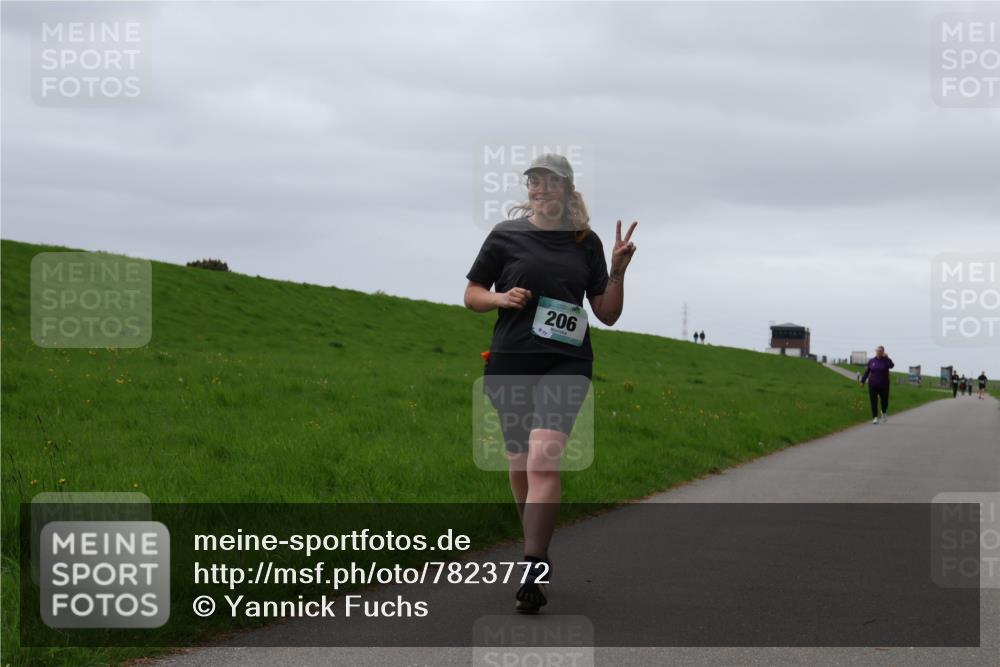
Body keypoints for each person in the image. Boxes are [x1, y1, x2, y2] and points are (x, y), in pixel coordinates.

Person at [464, 153, 637, 613]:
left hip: (566, 362)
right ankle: (535, 543)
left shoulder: (585, 242)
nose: (541, 190)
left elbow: (608, 313)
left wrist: (618, 269)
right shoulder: (505, 236)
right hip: (510, 362)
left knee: (543, 459)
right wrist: (501, 296)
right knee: (520, 463)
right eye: (534, 182)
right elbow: (472, 294)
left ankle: (532, 565)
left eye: (550, 182)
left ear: (566, 189)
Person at [860, 345, 894, 424]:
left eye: (880, 351)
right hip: (873, 384)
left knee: (884, 401)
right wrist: (863, 381)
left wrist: (887, 357)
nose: (878, 352)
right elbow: (867, 372)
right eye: (877, 351)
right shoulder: (872, 361)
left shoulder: (886, 360)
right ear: (876, 352)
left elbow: (892, 365)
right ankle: (875, 417)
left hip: (884, 385)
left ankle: (884, 411)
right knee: (873, 401)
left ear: (883, 352)